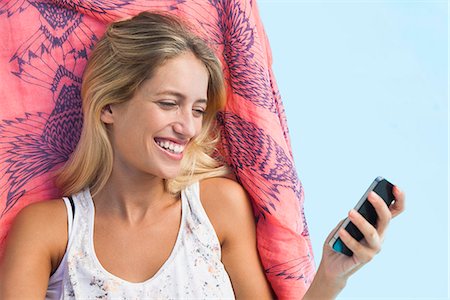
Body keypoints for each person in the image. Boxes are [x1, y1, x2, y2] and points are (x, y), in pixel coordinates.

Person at [0, 11, 405, 299]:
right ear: (109, 106)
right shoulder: (48, 231)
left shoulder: (217, 208)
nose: (189, 127)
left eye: (197, 109)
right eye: (168, 102)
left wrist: (332, 279)